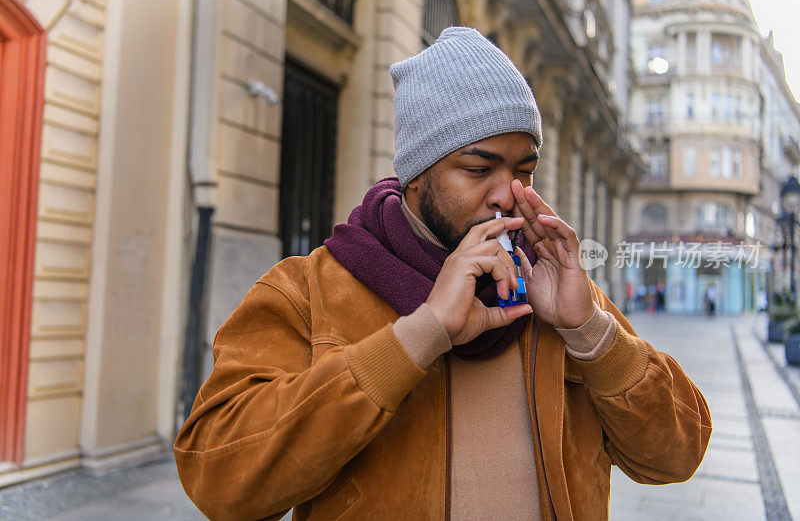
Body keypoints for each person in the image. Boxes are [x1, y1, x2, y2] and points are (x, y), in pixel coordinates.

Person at [174, 27, 711, 520]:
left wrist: (590, 331)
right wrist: (421, 333)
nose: (507, 196)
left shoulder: (554, 287)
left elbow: (676, 456)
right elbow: (218, 478)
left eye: (524, 170)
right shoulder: (309, 289)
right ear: (416, 175)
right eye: (479, 169)